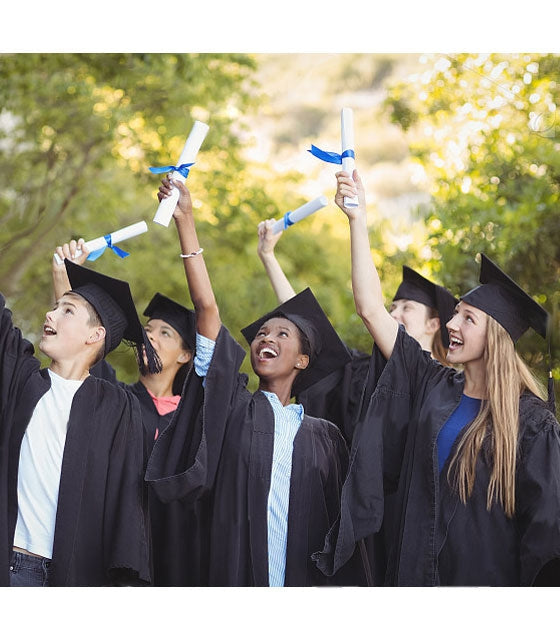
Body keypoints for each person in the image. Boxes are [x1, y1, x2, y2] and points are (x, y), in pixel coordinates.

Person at [314, 168, 560, 586]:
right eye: (454, 314)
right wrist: (358, 221)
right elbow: (371, 309)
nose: (452, 325)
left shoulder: (532, 425)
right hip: (413, 577)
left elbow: (546, 536)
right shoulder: (432, 383)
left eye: (469, 318)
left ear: (497, 336)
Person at [145, 177, 370, 586]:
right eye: (263, 333)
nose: (267, 337)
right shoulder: (233, 408)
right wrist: (186, 221)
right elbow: (207, 310)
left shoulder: (326, 438)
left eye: (282, 334)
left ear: (303, 360)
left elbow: (343, 539)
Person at [53, 241, 203, 586]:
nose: (151, 336)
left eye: (165, 332)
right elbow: (75, 353)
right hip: (118, 542)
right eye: (148, 330)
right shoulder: (117, 398)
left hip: (179, 549)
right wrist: (66, 280)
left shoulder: (193, 421)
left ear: (184, 356)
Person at [1, 255, 157, 586]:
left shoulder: (117, 408)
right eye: (55, 307)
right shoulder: (21, 377)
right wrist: (60, 270)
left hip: (69, 578)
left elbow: (127, 507)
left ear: (95, 335)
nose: (50, 314)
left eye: (67, 310)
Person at [256, 219, 456, 444]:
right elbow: (305, 324)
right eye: (392, 307)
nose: (395, 314)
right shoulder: (360, 372)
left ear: (433, 324)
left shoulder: (445, 388)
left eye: (407, 308)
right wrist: (268, 255)